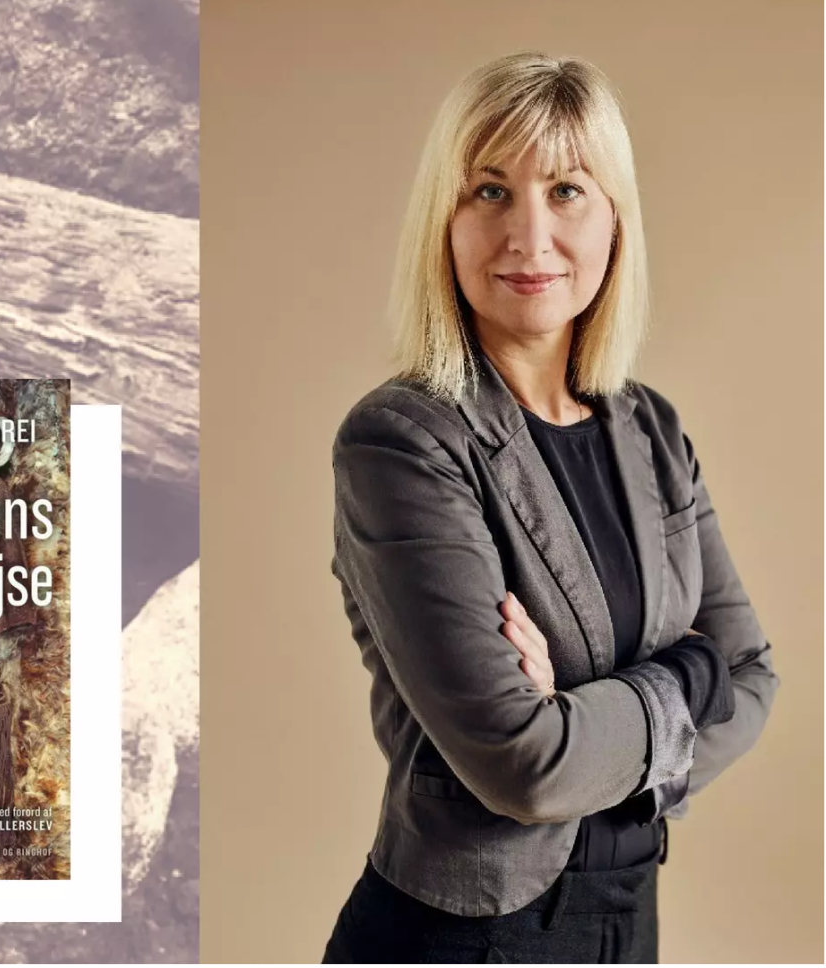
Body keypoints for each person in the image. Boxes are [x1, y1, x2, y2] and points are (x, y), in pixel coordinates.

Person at [321, 52, 779, 964]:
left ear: (616, 220)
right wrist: (688, 675)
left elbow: (755, 678)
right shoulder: (403, 442)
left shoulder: (651, 428)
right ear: (442, 223)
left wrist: (583, 710)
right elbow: (524, 766)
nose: (529, 237)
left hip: (628, 913)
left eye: (567, 189)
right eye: (489, 192)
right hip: (462, 936)